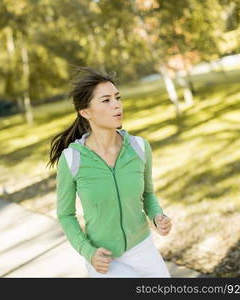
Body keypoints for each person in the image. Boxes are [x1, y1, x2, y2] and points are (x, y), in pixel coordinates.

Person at [47, 66, 172, 277]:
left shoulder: (139, 148)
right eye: (106, 100)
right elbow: (65, 214)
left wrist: (157, 215)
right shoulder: (72, 159)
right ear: (86, 112)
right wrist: (88, 252)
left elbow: (148, 194)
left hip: (143, 249)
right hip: (104, 259)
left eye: (117, 97)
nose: (117, 105)